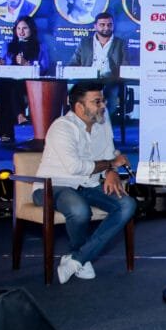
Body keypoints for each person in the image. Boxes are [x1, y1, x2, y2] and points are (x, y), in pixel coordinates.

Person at [33, 81, 137, 284]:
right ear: (79, 107)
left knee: (127, 204)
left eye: (103, 100)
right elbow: (75, 167)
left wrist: (111, 171)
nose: (103, 105)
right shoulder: (62, 127)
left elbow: (110, 154)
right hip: (54, 186)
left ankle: (77, 258)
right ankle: (81, 257)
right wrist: (110, 164)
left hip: (88, 185)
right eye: (97, 102)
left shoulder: (102, 122)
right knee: (79, 210)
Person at [0, 15, 51, 143]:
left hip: (29, 83)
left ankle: (7, 131)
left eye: (25, 28)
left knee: (11, 88)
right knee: (8, 87)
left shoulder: (40, 46)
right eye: (18, 28)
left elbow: (44, 68)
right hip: (9, 81)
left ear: (31, 29)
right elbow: (2, 65)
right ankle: (19, 115)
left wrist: (26, 64)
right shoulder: (8, 45)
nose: (21, 31)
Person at [69, 12, 128, 117]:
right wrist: (77, 71)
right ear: (95, 26)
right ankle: (85, 120)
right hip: (87, 79)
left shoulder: (120, 43)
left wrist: (114, 75)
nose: (106, 28)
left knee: (110, 96)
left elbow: (125, 65)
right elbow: (73, 63)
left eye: (109, 24)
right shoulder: (85, 43)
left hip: (111, 80)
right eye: (102, 25)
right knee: (80, 96)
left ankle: (103, 121)